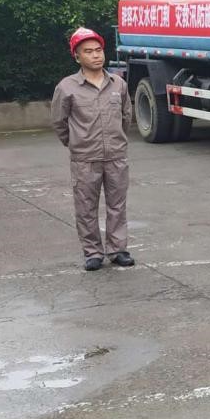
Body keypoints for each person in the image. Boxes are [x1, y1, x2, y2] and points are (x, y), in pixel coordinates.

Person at [51, 27, 135, 271]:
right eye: (88, 51)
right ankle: (93, 253)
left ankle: (117, 250)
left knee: (117, 206)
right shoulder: (67, 87)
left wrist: (117, 141)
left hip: (116, 156)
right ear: (77, 56)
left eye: (98, 50)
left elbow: (126, 116)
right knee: (86, 207)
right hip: (85, 158)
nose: (96, 55)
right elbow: (59, 122)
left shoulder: (118, 84)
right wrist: (76, 143)